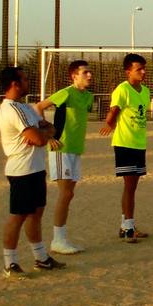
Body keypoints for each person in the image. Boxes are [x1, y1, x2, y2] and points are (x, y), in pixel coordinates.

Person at [0, 67, 67, 277]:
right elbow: (37, 138)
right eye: (25, 79)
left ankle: (41, 258)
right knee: (18, 216)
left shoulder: (25, 107)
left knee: (36, 214)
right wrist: (41, 133)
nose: (29, 82)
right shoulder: (12, 109)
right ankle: (10, 262)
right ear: (14, 84)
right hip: (22, 170)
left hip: (35, 168)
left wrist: (42, 132)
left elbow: (50, 129)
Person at [34, 59, 94, 254]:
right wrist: (48, 135)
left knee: (69, 194)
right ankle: (58, 240)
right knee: (65, 193)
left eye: (89, 72)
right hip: (61, 148)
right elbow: (39, 107)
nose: (89, 75)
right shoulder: (66, 93)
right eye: (85, 72)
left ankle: (61, 238)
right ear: (74, 75)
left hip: (76, 149)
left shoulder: (88, 97)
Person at [100, 53, 151, 242]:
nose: (143, 72)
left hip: (139, 143)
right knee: (129, 186)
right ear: (128, 71)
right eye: (139, 69)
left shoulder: (145, 91)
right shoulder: (122, 89)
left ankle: (125, 225)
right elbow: (114, 110)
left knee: (133, 187)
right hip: (125, 143)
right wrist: (110, 123)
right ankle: (129, 228)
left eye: (144, 68)